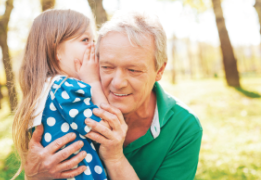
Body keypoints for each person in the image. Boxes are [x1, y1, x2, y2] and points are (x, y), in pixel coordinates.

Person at [20, 11, 203, 180]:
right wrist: (34, 176)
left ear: (159, 70)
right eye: (106, 67)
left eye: (133, 70)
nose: (117, 83)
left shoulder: (183, 127)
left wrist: (115, 158)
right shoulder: (75, 100)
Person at [12, 9, 109, 180]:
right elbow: (105, 129)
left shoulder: (45, 89)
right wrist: (93, 81)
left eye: (93, 40)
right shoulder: (65, 88)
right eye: (85, 40)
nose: (93, 47)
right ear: (56, 50)